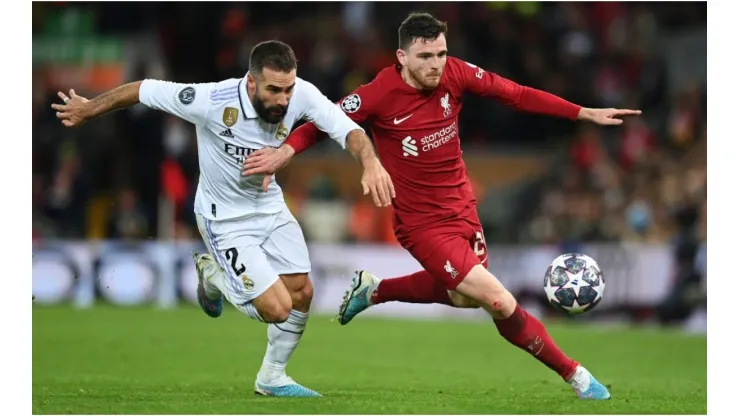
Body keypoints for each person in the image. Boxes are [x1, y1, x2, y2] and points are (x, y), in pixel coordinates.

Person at [242, 13, 642, 400]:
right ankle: (576, 374)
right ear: (402, 57)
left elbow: (516, 94)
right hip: (421, 225)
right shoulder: (378, 94)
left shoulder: (456, 73)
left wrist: (582, 112)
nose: (436, 65)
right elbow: (321, 123)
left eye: (440, 54)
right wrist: (284, 152)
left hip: (462, 208)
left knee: (466, 297)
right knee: (498, 300)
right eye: (425, 57)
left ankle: (377, 290)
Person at [51, 40, 394, 398]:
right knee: (277, 308)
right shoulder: (213, 101)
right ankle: (212, 275)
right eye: (274, 90)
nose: (283, 99)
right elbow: (142, 89)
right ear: (251, 83)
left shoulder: (302, 94)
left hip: (269, 207)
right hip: (223, 219)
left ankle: (272, 377)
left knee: (302, 293)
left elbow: (349, 129)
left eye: (288, 89)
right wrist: (91, 108)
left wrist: (370, 163)